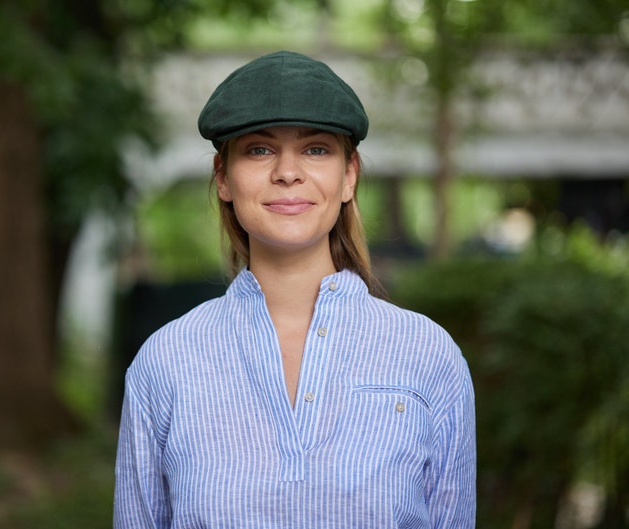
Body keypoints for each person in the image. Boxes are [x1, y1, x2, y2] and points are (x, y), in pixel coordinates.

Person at [114, 50, 476, 528]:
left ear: (349, 176)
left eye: (316, 149)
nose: (288, 172)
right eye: (259, 150)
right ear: (223, 178)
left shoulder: (428, 355)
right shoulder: (165, 363)